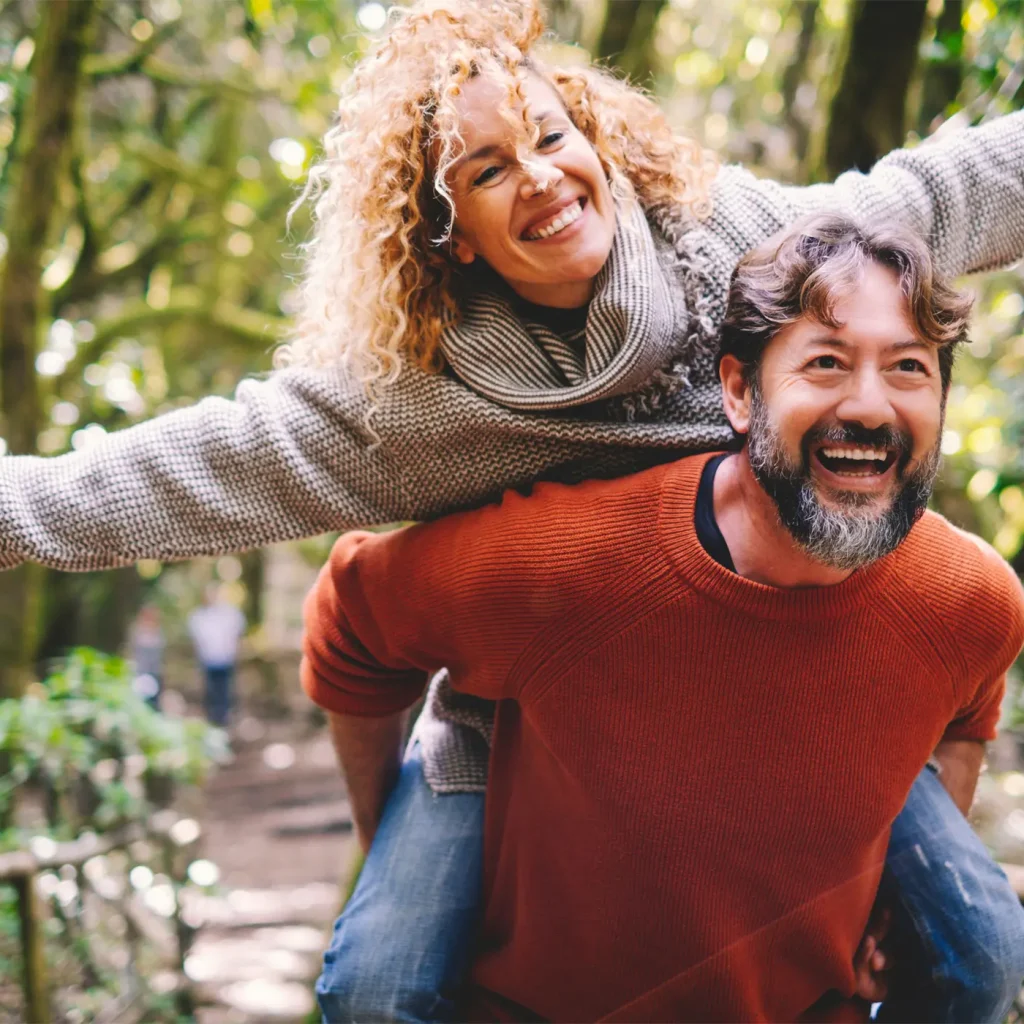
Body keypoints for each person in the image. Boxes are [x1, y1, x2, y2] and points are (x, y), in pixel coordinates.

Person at [0, 0, 1021, 1015]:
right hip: (521, 701)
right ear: (452, 237)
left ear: (601, 142)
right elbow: (210, 462)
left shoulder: (736, 248)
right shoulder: (421, 402)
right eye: (485, 169)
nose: (537, 173)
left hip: (786, 676)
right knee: (378, 980)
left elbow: (943, 190)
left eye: (549, 133)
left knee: (980, 950)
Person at [302, 214, 1024, 1022]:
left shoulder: (971, 600)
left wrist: (894, 901)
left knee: (987, 957)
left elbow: (969, 710)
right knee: (372, 991)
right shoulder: (567, 565)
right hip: (536, 998)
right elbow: (351, 617)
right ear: (740, 392)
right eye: (825, 362)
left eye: (908, 369)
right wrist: (384, 840)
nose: (869, 404)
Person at [187, 584, 246, 727]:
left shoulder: (229, 614)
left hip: (225, 659)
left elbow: (237, 633)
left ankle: (224, 718)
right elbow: (197, 640)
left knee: (225, 690)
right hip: (208, 660)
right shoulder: (199, 617)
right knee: (210, 690)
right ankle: (212, 719)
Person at [129, 603, 165, 710]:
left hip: (155, 671)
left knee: (154, 702)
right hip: (141, 671)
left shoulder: (158, 632)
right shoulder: (137, 632)